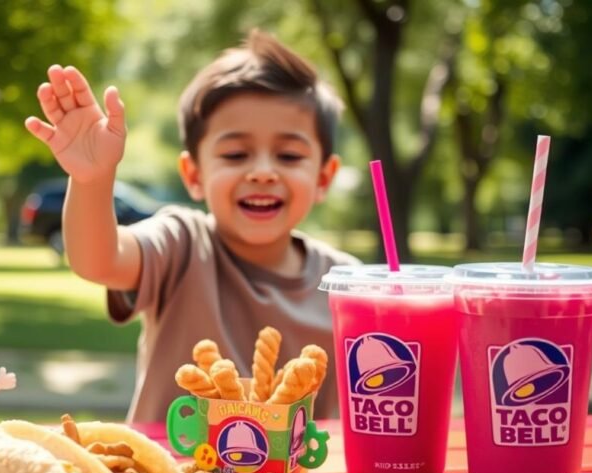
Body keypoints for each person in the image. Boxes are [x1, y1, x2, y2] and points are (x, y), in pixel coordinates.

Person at [25, 30, 361, 422]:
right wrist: (91, 180)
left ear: (324, 176)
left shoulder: (348, 282)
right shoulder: (181, 243)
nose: (263, 172)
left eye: (288, 155)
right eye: (236, 154)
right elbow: (97, 260)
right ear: (194, 173)